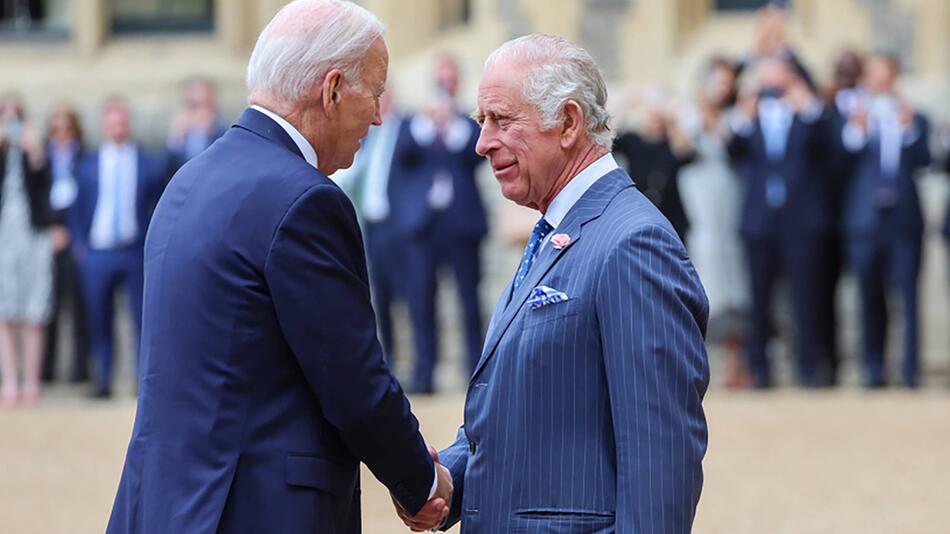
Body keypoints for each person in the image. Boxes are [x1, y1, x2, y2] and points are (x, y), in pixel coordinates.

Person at [107, 2, 451, 533]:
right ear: (332, 89)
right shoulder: (305, 200)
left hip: (164, 505)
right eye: (375, 93)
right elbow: (353, 380)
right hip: (254, 510)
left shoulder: (191, 179)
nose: (380, 115)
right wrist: (421, 483)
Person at [400, 34, 710, 533]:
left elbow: (660, 464)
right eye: (482, 122)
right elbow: (529, 407)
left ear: (568, 123)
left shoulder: (632, 243)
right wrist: (449, 479)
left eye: (501, 119)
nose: (482, 143)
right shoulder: (557, 229)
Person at [727, 56, 836, 388]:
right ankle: (760, 370)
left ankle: (808, 368)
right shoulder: (752, 112)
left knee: (805, 298)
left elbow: (829, 150)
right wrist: (743, 117)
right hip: (760, 221)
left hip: (801, 221)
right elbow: (733, 151)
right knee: (759, 300)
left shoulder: (807, 112)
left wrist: (810, 110)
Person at [390, 54, 488, 392]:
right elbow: (403, 156)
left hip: (461, 225)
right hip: (423, 226)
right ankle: (424, 374)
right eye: (440, 81)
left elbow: (476, 155)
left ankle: (476, 373)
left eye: (450, 80)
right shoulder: (414, 123)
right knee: (421, 303)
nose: (445, 86)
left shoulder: (470, 122)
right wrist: (429, 123)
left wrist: (452, 122)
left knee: (469, 302)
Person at [840, 54, 931, 388]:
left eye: (885, 75)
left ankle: (910, 370)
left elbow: (925, 160)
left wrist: (909, 130)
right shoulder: (853, 116)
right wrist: (857, 129)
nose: (879, 81)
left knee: (907, 296)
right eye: (873, 75)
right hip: (864, 222)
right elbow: (839, 164)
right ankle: (873, 369)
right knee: (869, 296)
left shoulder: (915, 116)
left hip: (904, 221)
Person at [70, 97, 166, 398]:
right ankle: (103, 380)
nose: (118, 126)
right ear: (104, 125)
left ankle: (142, 382)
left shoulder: (147, 163)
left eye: (122, 121)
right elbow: (77, 207)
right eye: (112, 121)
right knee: (99, 317)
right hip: (97, 252)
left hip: (133, 251)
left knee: (141, 317)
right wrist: (79, 244)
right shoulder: (87, 165)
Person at [678, 56, 750, 388]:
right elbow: (681, 147)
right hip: (699, 206)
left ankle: (735, 364)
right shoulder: (687, 114)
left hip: (729, 205)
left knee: (734, 281)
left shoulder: (738, 117)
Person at [332, 89, 408, 362]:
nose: (377, 108)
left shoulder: (407, 128)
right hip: (371, 227)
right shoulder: (365, 138)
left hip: (400, 227)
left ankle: (422, 367)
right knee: (380, 296)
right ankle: (389, 360)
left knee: (411, 298)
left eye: (381, 97)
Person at [0, 94, 53, 409]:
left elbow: (48, 188)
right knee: (4, 311)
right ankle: (10, 380)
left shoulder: (37, 151)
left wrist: (34, 151)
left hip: (33, 236)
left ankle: (32, 380)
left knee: (34, 311)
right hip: (4, 237)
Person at [42, 103, 91, 384]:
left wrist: (74, 232)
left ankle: (79, 371)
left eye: (66, 126)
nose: (60, 132)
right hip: (47, 238)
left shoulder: (83, 158)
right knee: (47, 307)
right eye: (55, 127)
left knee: (79, 307)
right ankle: (46, 371)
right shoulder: (42, 157)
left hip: (75, 239)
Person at [165, 76, 226, 176]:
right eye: (193, 105)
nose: (200, 112)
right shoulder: (177, 140)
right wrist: (175, 140)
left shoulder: (224, 135)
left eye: (205, 104)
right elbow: (163, 176)